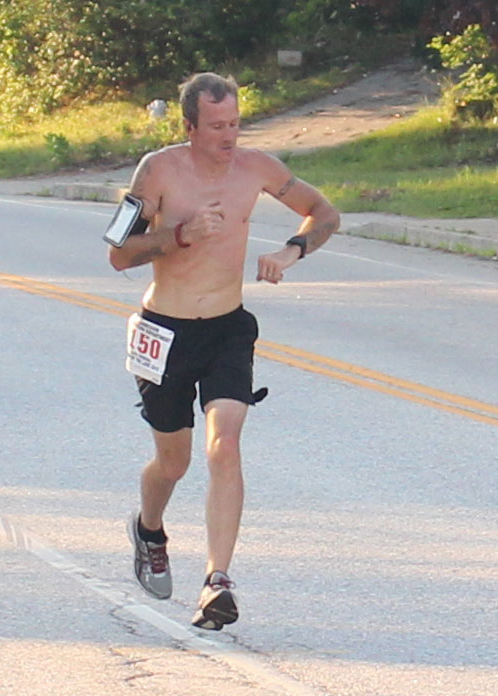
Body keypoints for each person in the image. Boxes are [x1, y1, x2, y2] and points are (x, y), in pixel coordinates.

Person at [107, 72, 339, 631]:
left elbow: (324, 212)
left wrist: (291, 251)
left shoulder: (257, 168)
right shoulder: (157, 170)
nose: (229, 136)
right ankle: (149, 528)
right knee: (174, 462)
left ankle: (217, 582)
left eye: (235, 123)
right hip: (165, 331)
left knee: (225, 445)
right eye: (216, 127)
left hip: (227, 329)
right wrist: (179, 234)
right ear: (190, 127)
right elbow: (118, 253)